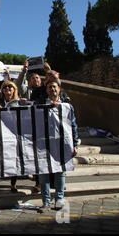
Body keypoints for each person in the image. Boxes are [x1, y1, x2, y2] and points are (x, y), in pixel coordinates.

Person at [35, 80, 78, 212]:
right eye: (49, 87)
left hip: (61, 143)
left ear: (59, 89)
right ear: (46, 90)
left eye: (54, 87)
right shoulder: (39, 105)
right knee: (44, 173)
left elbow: (73, 125)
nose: (52, 89)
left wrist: (75, 143)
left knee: (60, 172)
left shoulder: (67, 106)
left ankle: (59, 199)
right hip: (43, 144)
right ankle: (46, 201)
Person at [0, 80, 27, 193]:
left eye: (10, 87)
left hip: (14, 134)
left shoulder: (19, 102)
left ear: (14, 89)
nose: (8, 89)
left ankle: (13, 184)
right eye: (5, 87)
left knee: (13, 160)